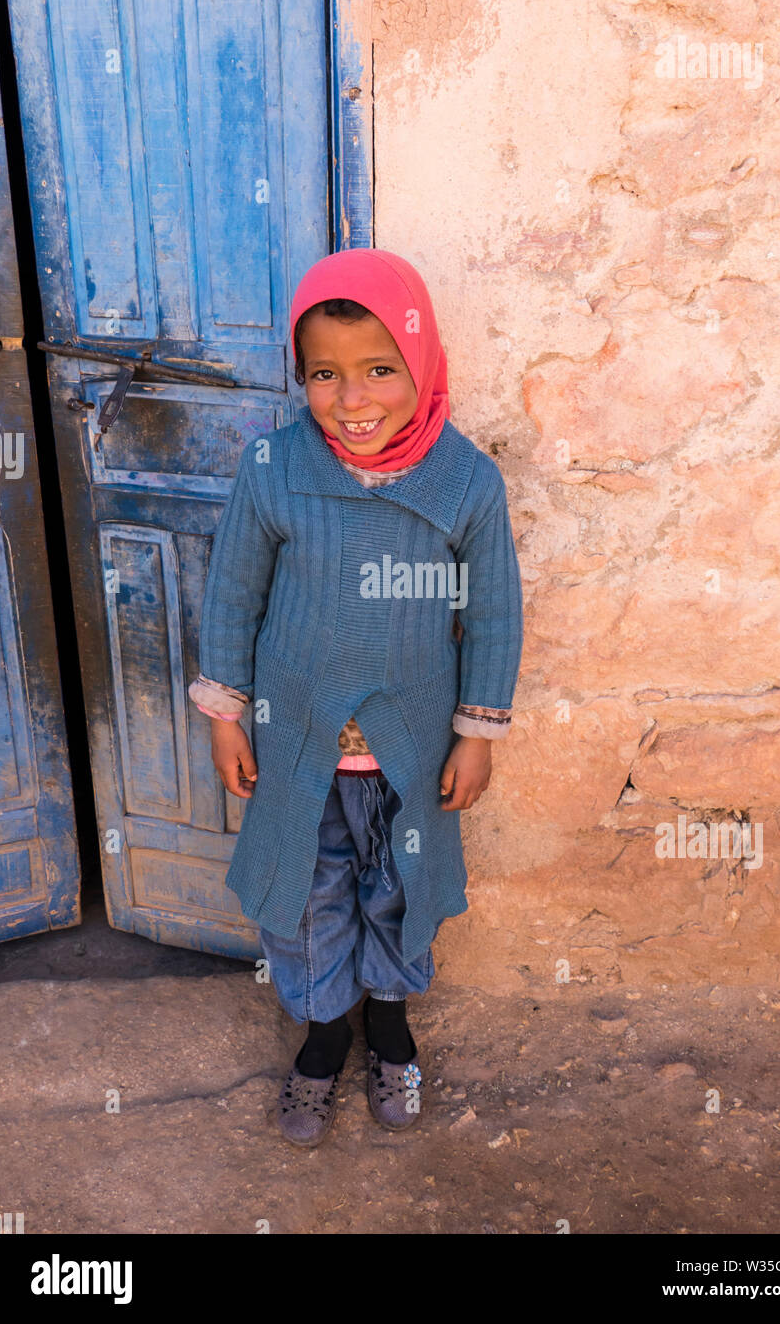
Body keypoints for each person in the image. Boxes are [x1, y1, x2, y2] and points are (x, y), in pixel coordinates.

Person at [188, 248, 524, 1146]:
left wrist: (476, 733)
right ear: (300, 377)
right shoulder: (275, 468)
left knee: (399, 889)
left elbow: (491, 616)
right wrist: (226, 714)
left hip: (407, 755)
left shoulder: (465, 484)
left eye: (381, 369)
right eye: (325, 375)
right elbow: (233, 595)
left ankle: (389, 1025)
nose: (354, 398)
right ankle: (325, 1032)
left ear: (422, 364)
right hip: (296, 746)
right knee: (306, 895)